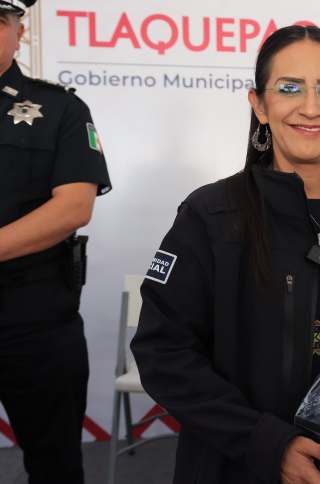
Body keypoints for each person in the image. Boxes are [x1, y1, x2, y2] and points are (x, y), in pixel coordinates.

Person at [130, 26, 320, 484]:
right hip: (239, 466)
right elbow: (164, 351)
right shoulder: (212, 215)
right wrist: (265, 443)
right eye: (289, 88)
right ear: (259, 104)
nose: (310, 106)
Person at [0, 1, 111, 482]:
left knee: (55, 464)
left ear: (19, 32)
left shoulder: (60, 107)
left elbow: (72, 208)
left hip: (34, 317)